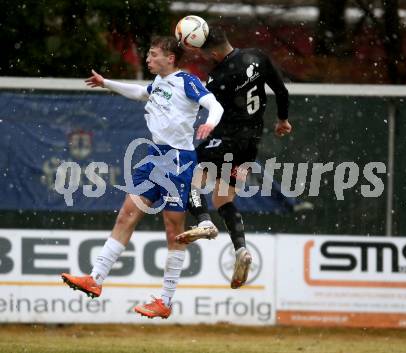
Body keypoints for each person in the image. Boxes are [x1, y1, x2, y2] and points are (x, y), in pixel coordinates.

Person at [61, 36, 224, 319]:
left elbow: (215, 105)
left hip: (178, 160)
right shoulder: (159, 83)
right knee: (126, 214)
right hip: (154, 158)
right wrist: (106, 83)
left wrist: (209, 123)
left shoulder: (187, 80)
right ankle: (95, 278)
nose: (148, 59)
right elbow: (139, 93)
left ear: (170, 58)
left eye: (152, 54)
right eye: (148, 55)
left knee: (174, 232)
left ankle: (165, 300)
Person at [176, 25, 292, 289]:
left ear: (213, 53)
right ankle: (241, 249)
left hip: (224, 139)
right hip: (250, 144)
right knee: (223, 198)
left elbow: (209, 108)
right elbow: (282, 91)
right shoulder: (258, 56)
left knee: (188, 179)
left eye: (206, 55)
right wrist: (283, 120)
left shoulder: (218, 76)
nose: (206, 59)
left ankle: (204, 223)